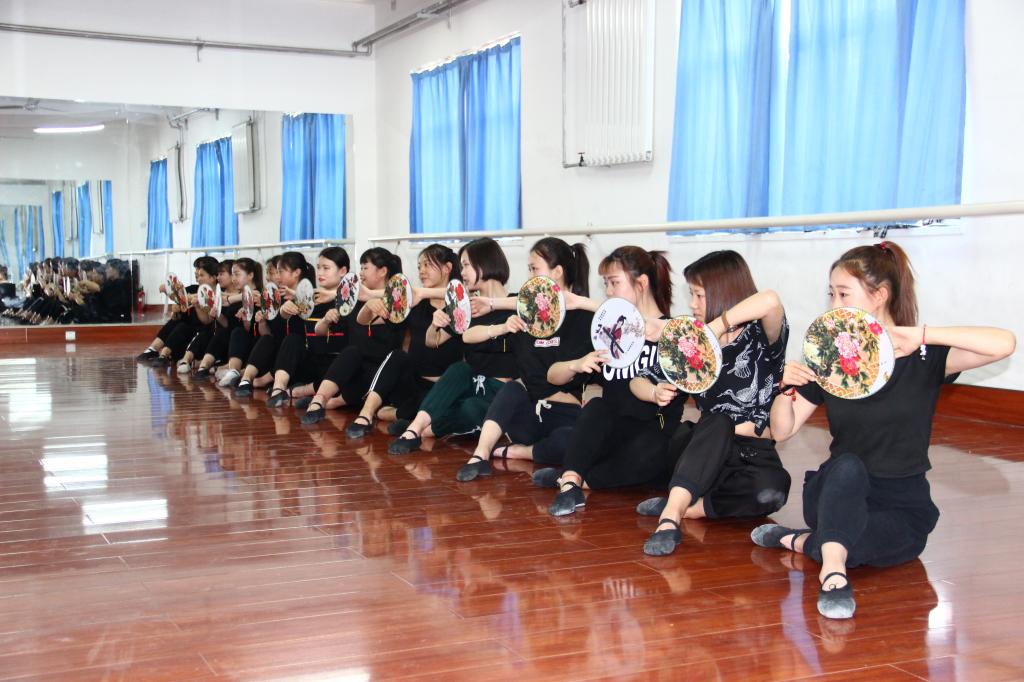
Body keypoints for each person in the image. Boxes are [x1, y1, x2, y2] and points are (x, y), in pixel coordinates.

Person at [753, 241, 1015, 619]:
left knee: (868, 544)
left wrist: (921, 335)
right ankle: (833, 574)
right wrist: (784, 389)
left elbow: (1004, 343)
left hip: (903, 504)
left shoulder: (924, 356)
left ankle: (804, 542)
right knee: (848, 466)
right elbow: (782, 431)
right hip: (839, 491)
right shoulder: (830, 358)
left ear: (879, 296)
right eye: (831, 293)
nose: (834, 304)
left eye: (844, 293)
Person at [637, 250, 791, 557]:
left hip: (752, 452)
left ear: (725, 291)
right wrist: (653, 392)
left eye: (699, 295)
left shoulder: (762, 336)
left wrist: (717, 326)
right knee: (719, 420)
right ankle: (670, 518)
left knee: (774, 487)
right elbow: (639, 379)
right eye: (691, 295)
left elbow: (771, 300)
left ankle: (690, 506)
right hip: (705, 445)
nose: (692, 304)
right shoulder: (691, 343)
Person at [534, 246, 686, 517]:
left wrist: (583, 303)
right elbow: (552, 376)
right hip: (611, 435)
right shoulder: (608, 332)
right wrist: (576, 364)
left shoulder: (674, 334)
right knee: (596, 408)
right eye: (605, 284)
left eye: (614, 283)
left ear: (642, 283)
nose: (608, 291)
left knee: (653, 450)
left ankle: (572, 479)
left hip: (651, 439)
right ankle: (571, 482)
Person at [456, 237, 594, 481]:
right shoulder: (526, 316)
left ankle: (524, 452)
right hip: (528, 416)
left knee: (572, 443)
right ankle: (480, 455)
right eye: (529, 269)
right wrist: (500, 326)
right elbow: (468, 337)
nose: (530, 276)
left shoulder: (582, 319)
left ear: (557, 272)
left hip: (564, 416)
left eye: (534, 269)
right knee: (512, 388)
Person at [387, 238, 518, 455]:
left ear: (484, 264)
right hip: (469, 383)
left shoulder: (517, 304)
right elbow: (432, 341)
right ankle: (414, 429)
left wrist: (493, 310)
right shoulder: (466, 306)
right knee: (460, 369)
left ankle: (427, 429)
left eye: (466, 265)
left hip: (498, 392)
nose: (462, 272)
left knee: (470, 409)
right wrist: (434, 325)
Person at [297, 247, 406, 424]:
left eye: (365, 268)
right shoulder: (352, 301)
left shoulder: (398, 303)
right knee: (350, 352)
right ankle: (318, 402)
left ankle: (336, 401)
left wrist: (367, 299)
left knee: (359, 367)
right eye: (360, 267)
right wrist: (326, 320)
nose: (360, 273)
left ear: (382, 271)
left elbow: (390, 302)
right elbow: (318, 331)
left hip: (380, 375)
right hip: (354, 370)